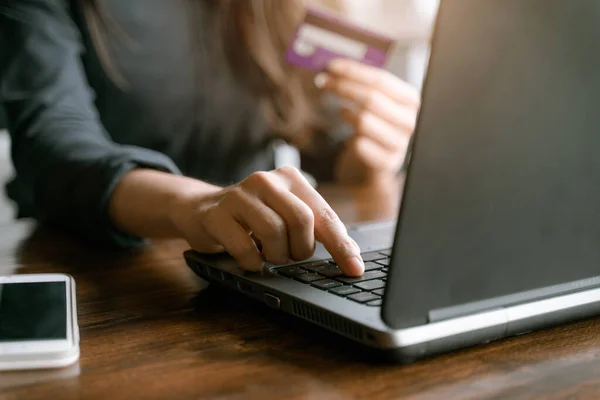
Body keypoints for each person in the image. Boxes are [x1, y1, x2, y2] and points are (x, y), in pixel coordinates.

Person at [0, 0, 420, 277]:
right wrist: (195, 204)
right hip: (87, 270)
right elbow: (54, 148)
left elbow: (324, 139)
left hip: (255, 263)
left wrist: (368, 154)